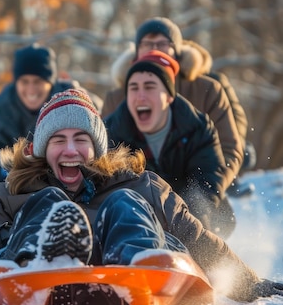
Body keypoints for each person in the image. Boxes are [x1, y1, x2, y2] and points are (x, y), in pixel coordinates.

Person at [0, 89, 283, 305]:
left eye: (81, 138)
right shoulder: (17, 192)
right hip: (36, 271)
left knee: (124, 203)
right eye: (58, 140)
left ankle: (139, 256)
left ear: (97, 148)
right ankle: (38, 255)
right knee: (47, 204)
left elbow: (197, 239)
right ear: (41, 149)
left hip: (141, 273)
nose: (70, 150)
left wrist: (249, 284)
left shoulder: (139, 184)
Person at [102, 17, 253, 194]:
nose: (154, 49)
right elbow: (105, 150)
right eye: (147, 44)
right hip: (139, 194)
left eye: (162, 43)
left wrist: (214, 182)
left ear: (177, 52)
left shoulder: (206, 89)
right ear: (136, 52)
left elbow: (229, 146)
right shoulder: (117, 97)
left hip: (196, 185)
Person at [104, 50, 235, 238]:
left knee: (210, 213)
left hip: (190, 210)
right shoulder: (112, 131)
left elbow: (205, 184)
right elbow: (109, 188)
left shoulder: (197, 128)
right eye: (133, 88)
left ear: (169, 96)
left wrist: (187, 230)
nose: (140, 96)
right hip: (138, 212)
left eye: (149, 87)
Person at [0, 43, 102, 186]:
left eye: (38, 82)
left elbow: (105, 147)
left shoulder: (77, 103)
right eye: (24, 82)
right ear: (16, 83)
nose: (31, 90)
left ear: (50, 82)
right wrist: (17, 161)